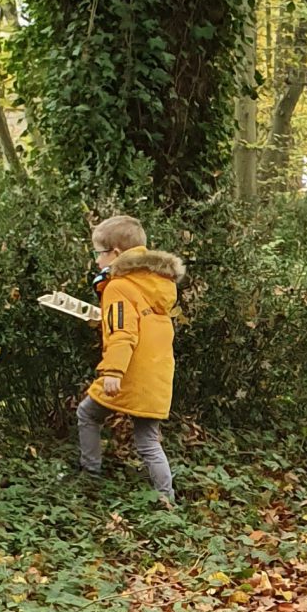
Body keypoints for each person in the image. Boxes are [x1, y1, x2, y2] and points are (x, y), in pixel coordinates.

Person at [77, 214, 183, 507]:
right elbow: (140, 324)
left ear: (116, 254)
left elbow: (123, 332)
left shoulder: (118, 286)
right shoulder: (155, 282)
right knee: (148, 441)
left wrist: (112, 371)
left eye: (99, 253)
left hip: (128, 373)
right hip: (157, 374)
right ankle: (167, 498)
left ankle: (90, 477)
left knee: (87, 413)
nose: (96, 261)